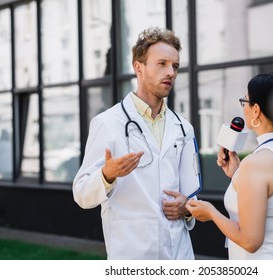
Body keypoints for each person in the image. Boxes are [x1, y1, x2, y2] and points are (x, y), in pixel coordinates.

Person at [73, 27, 196, 260]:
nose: (171, 72)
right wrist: (106, 175)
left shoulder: (183, 128)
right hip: (133, 255)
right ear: (139, 68)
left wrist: (186, 207)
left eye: (175, 66)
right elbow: (82, 194)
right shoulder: (108, 123)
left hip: (180, 255)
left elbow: (190, 191)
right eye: (162, 64)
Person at [186, 72, 273, 260]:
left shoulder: (256, 163)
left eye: (244, 101)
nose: (243, 107)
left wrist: (211, 212)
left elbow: (250, 241)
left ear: (256, 110)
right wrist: (238, 175)